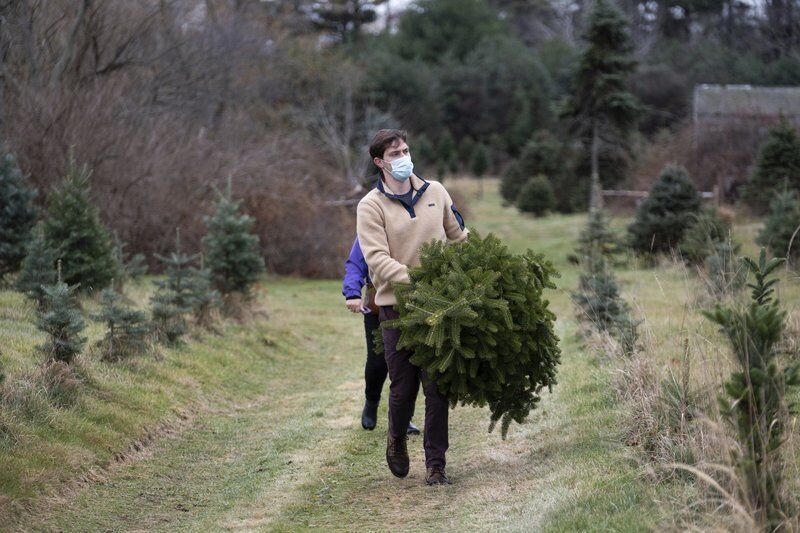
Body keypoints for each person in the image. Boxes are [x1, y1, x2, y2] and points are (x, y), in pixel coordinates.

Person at [356, 129, 468, 486]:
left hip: (439, 307)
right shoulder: (370, 206)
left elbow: (458, 237)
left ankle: (436, 464)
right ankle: (396, 439)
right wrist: (415, 283)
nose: (403, 157)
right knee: (403, 386)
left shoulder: (435, 191)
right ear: (379, 162)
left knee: (437, 387)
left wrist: (474, 267)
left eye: (405, 150)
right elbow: (376, 259)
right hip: (397, 309)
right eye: (394, 154)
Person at [342, 236, 420, 435]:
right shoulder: (371, 226)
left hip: (414, 301)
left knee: (409, 363)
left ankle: (404, 418)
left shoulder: (413, 222)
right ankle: (371, 401)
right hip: (378, 305)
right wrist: (352, 293)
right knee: (378, 362)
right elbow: (355, 263)